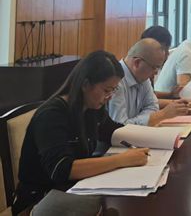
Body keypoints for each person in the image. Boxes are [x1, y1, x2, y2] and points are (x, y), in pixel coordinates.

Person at [14, 51, 150, 214]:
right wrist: (121, 160)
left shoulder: (92, 108)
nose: (109, 97)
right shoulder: (51, 115)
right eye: (107, 90)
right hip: (40, 200)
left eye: (113, 90)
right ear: (85, 84)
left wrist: (155, 139)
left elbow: (113, 130)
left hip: (73, 190)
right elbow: (62, 169)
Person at [108, 39, 191, 126]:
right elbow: (120, 127)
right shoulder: (115, 81)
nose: (155, 72)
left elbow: (152, 106)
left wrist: (143, 120)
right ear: (137, 63)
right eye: (154, 67)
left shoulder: (143, 77)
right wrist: (161, 115)